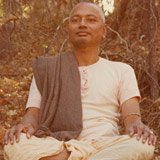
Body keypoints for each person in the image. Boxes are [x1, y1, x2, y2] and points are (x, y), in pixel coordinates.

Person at [2, 2, 156, 160]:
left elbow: (131, 116)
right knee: (15, 144)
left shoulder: (122, 70)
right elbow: (32, 115)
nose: (82, 24)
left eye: (90, 20)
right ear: (69, 29)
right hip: (56, 145)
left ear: (104, 31)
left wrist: (136, 125)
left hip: (103, 145)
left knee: (142, 144)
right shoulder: (47, 69)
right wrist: (24, 127)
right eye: (75, 20)